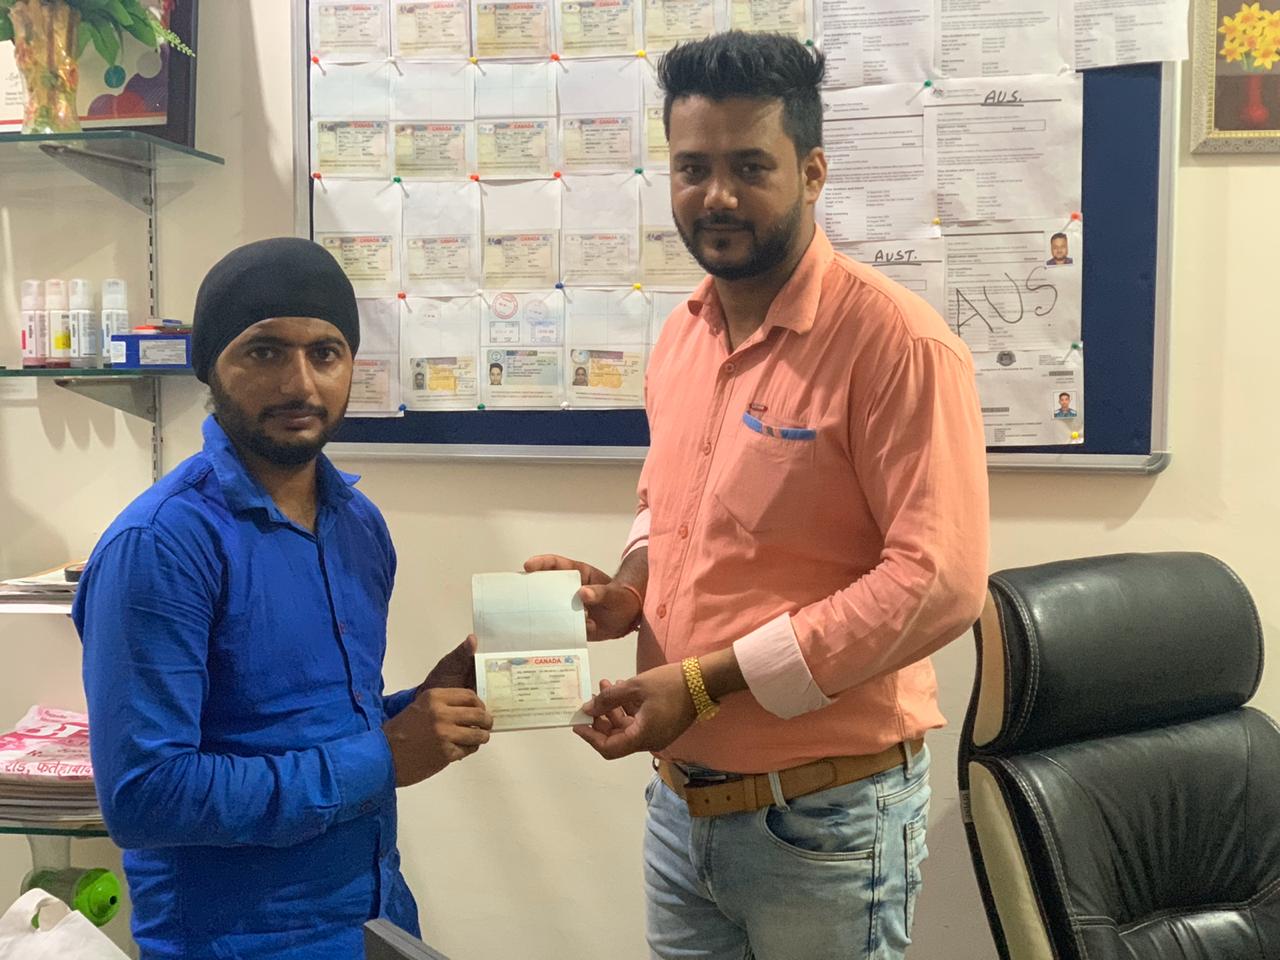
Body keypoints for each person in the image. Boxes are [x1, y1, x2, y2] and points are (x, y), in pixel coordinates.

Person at [526, 33, 988, 960]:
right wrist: (630, 587)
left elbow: (938, 582)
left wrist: (704, 682)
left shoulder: (895, 344)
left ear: (812, 173)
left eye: (750, 167)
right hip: (679, 806)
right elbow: (670, 504)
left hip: (825, 820)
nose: (717, 196)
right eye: (693, 168)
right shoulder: (683, 335)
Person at [73, 238, 494, 960]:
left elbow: (304, 726)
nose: (300, 384)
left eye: (325, 353)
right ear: (211, 365)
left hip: (376, 917)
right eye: (265, 352)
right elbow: (146, 796)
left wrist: (423, 706)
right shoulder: (161, 545)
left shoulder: (358, 525)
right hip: (236, 941)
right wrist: (386, 757)